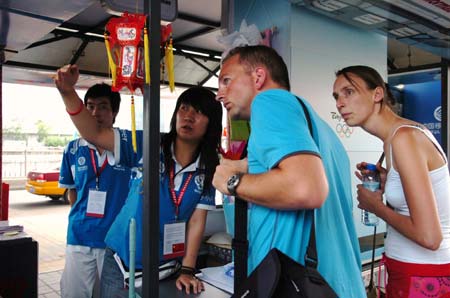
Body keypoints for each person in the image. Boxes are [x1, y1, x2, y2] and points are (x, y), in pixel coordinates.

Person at [54, 64, 223, 295]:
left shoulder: (208, 167)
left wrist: (188, 269)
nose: (188, 116)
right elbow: (94, 133)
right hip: (122, 261)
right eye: (184, 108)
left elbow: (196, 222)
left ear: (211, 122)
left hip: (167, 266)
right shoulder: (148, 144)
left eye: (198, 112)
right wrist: (68, 93)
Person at [212, 45, 365, 297]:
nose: (220, 93)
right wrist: (250, 166)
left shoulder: (269, 101)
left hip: (292, 286)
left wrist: (231, 182)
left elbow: (307, 189)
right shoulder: (323, 131)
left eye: (227, 81)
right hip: (337, 285)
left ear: (258, 77)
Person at [333, 65, 450, 297]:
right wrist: (390, 183)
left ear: (377, 94)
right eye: (336, 96)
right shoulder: (397, 138)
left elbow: (430, 237)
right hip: (410, 269)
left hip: (424, 274)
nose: (339, 103)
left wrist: (375, 206)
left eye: (349, 92)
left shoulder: (404, 138)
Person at [58, 83, 131, 298]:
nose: (94, 113)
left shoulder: (128, 146)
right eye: (89, 106)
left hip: (114, 241)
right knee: (74, 294)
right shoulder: (72, 149)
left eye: (103, 107)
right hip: (79, 236)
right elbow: (72, 191)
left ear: (114, 113)